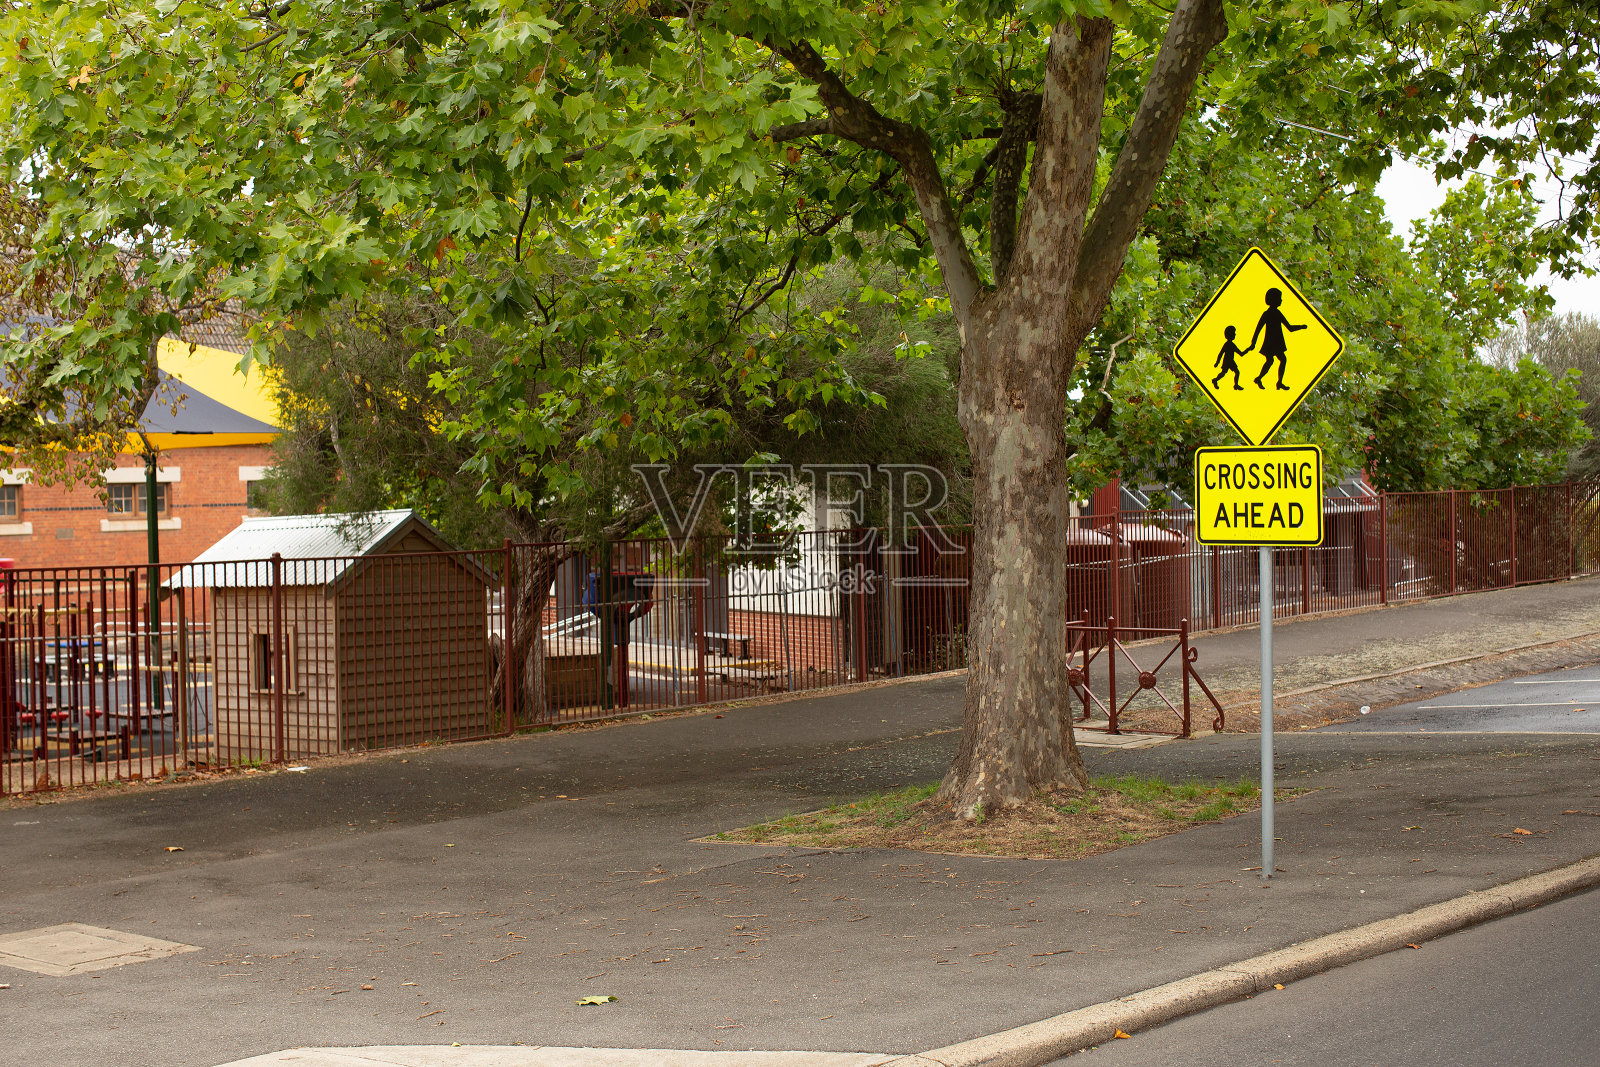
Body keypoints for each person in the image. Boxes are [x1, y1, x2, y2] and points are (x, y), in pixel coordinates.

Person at [1248, 287, 1306, 391]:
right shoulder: (1267, 314)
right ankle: (1261, 379)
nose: (1281, 300)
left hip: (1277, 342)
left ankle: (1276, 382)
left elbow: (1289, 328)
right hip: (1271, 342)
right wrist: (1253, 343)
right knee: (1274, 360)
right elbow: (1258, 329)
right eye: (1279, 298)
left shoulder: (1277, 313)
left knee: (1279, 360)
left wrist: (1301, 327)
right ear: (1273, 299)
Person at [1211, 325, 1246, 390]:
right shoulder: (1230, 344)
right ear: (1230, 334)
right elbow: (1241, 354)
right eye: (1234, 333)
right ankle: (1235, 385)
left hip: (1228, 360)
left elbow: (1221, 354)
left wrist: (1217, 362)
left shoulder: (1228, 344)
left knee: (1225, 372)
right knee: (1235, 372)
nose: (1235, 334)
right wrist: (1217, 362)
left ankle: (1216, 380)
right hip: (1229, 361)